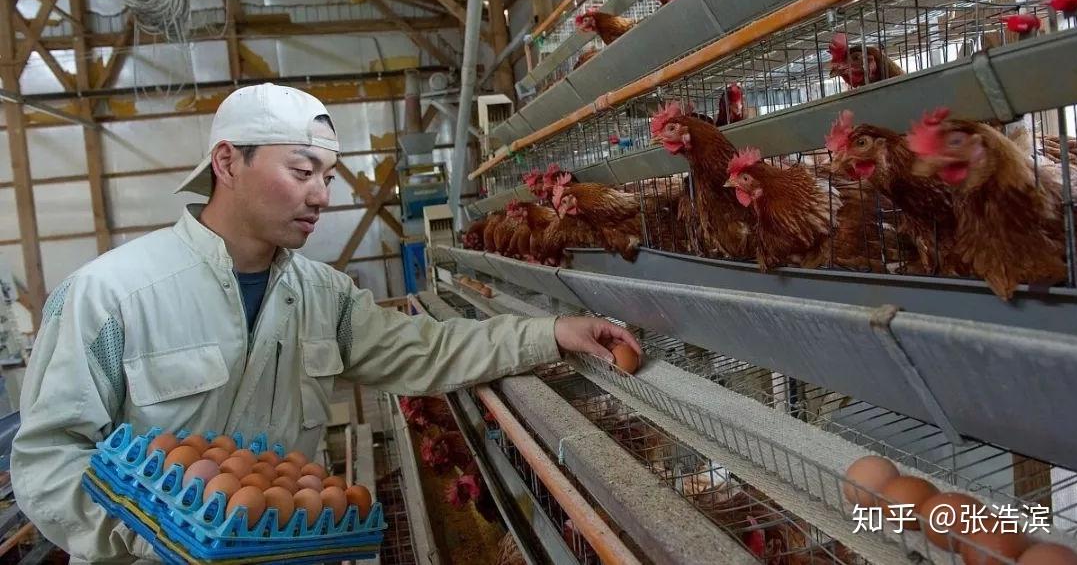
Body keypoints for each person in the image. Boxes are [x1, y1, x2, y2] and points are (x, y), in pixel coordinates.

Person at [11, 83, 639, 563]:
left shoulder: (324, 297)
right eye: (302, 172)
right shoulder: (112, 297)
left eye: (328, 177)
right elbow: (47, 461)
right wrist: (155, 535)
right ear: (227, 163)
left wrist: (551, 333)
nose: (321, 196)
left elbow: (428, 350)